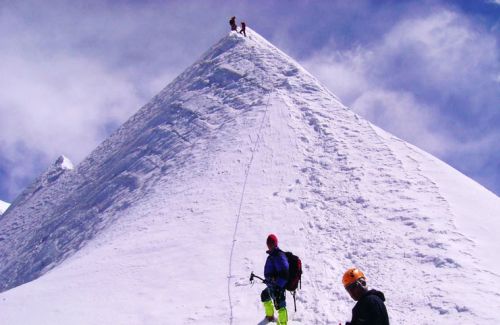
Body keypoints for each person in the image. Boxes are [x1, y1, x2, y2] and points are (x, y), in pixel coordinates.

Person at [261, 234, 289, 324]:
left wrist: (278, 286)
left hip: (277, 286)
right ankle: (270, 316)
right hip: (272, 284)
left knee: (280, 305)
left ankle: (283, 323)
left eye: (271, 243)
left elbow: (285, 273)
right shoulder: (273, 255)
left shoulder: (279, 256)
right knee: (265, 295)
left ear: (275, 244)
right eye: (268, 243)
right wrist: (268, 280)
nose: (269, 245)